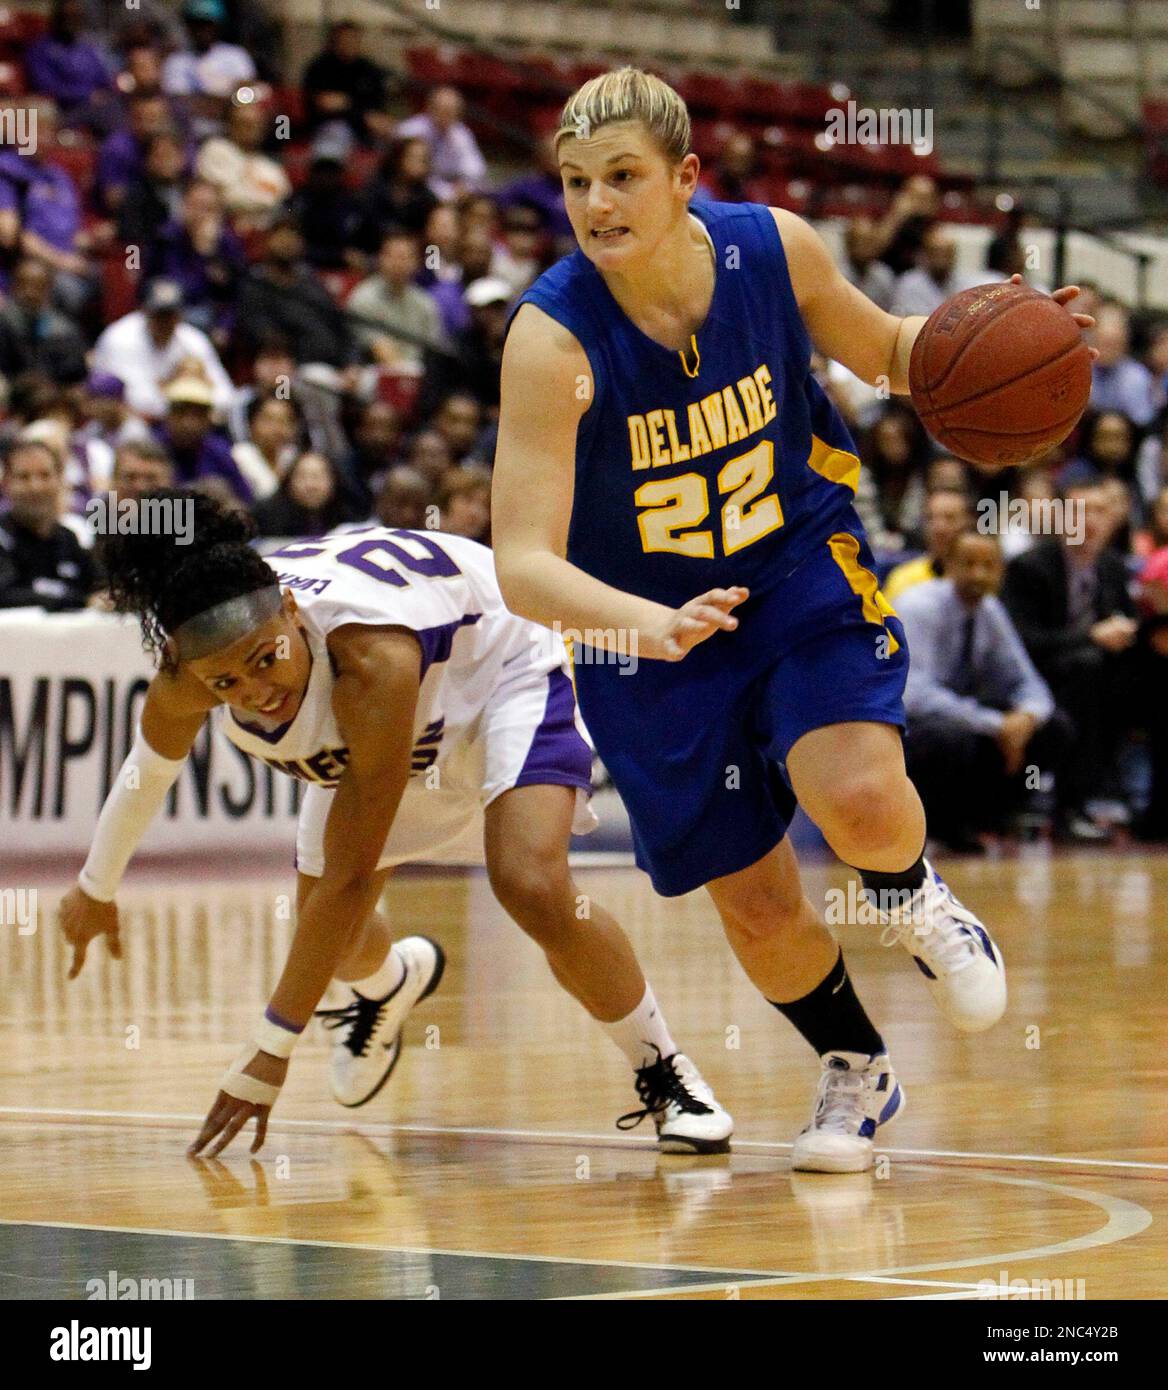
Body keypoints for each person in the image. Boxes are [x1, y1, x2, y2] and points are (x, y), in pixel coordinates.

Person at [491, 68, 1094, 1173]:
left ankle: (914, 898)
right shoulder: (552, 338)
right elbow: (521, 563)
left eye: (622, 176)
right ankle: (856, 1067)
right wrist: (649, 622)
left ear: (685, 179)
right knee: (759, 905)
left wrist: (1010, 335)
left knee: (861, 800)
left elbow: (893, 353)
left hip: (790, 566)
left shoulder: (770, 248)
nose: (597, 204)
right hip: (643, 628)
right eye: (576, 183)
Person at [58, 491, 733, 1158]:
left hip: (498, 667)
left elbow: (351, 876)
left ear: (292, 613)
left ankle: (669, 1074)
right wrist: (94, 887)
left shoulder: (368, 655)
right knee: (337, 943)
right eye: (227, 685)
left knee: (530, 884)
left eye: (267, 660)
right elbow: (147, 773)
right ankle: (388, 987)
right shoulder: (190, 679)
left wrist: (268, 1051)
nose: (257, 692)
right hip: (389, 735)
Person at [897, 530, 1071, 852]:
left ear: (1001, 570)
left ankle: (994, 818)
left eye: (988, 565)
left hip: (964, 718)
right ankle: (938, 825)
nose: (978, 574)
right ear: (948, 565)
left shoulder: (990, 611)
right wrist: (995, 724)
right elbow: (914, 694)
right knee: (949, 739)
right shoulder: (917, 606)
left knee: (1054, 727)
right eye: (968, 564)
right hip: (908, 727)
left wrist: (1025, 719)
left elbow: (1027, 682)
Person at [91, 278, 235, 420]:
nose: (164, 321)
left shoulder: (193, 340)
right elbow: (137, 401)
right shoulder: (120, 338)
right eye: (159, 314)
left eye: (170, 314)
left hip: (179, 422)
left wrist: (176, 394)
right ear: (144, 311)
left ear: (180, 315)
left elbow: (226, 396)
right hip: (129, 423)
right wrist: (189, 392)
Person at [0, 439, 95, 610]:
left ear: (59, 480)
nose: (35, 487)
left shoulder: (67, 538)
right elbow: (6, 594)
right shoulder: (3, 538)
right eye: (23, 477)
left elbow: (100, 584)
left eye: (45, 475)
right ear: (6, 483)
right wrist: (82, 601)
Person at [883, 485, 973, 602]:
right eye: (930, 518)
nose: (939, 527)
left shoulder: (980, 577)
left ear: (968, 523)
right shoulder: (903, 578)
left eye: (950, 518)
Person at [396, 87, 487, 202]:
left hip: (446, 187)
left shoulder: (461, 134)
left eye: (450, 111)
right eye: (441, 109)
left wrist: (465, 185)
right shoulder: (411, 130)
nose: (445, 115)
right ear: (430, 108)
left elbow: (475, 169)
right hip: (416, 187)